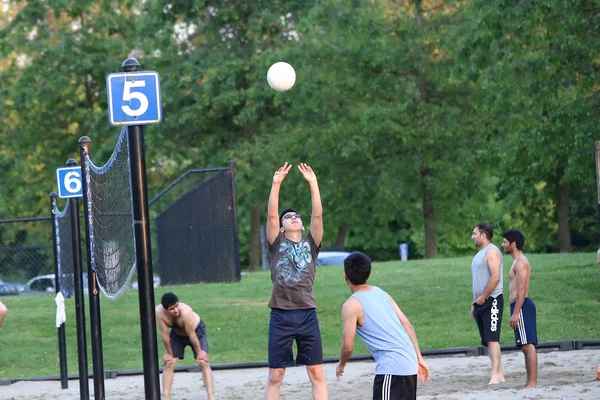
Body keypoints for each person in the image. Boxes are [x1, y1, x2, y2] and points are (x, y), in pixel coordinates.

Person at [264, 162, 327, 400]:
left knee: (317, 373)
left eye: (296, 216)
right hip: (280, 315)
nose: (293, 218)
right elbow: (271, 214)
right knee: (276, 375)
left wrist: (313, 184)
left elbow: (318, 215)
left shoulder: (311, 243)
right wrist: (276, 184)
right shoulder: (276, 243)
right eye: (288, 217)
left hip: (307, 313)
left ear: (302, 225)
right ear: (280, 228)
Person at [336, 252, 430, 400]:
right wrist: (419, 358)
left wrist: (341, 364)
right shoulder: (381, 293)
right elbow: (408, 325)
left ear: (345, 276)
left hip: (392, 369)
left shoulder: (351, 305)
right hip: (410, 364)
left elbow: (348, 347)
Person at [156, 292, 214, 400]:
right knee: (169, 363)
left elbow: (192, 334)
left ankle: (211, 396)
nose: (176, 310)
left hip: (196, 332)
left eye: (176, 306)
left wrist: (200, 352)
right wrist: (169, 353)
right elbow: (165, 334)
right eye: (172, 309)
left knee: (203, 361)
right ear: (166, 310)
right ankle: (166, 397)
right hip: (177, 335)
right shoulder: (160, 313)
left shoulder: (186, 311)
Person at [501, 229, 538, 388]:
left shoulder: (521, 262)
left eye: (504, 242)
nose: (502, 245)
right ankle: (530, 382)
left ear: (513, 244)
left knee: (527, 345)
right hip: (518, 307)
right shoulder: (517, 262)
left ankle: (531, 383)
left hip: (521, 306)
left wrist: (516, 312)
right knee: (525, 345)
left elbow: (522, 289)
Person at [471, 222, 505, 384]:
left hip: (492, 300)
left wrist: (484, 296)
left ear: (483, 235)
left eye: (474, 233)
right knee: (487, 340)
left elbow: (495, 277)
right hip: (480, 302)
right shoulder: (480, 254)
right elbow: (478, 281)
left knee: (492, 338)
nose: (472, 237)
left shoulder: (492, 252)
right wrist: (475, 303)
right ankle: (499, 373)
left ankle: (496, 375)